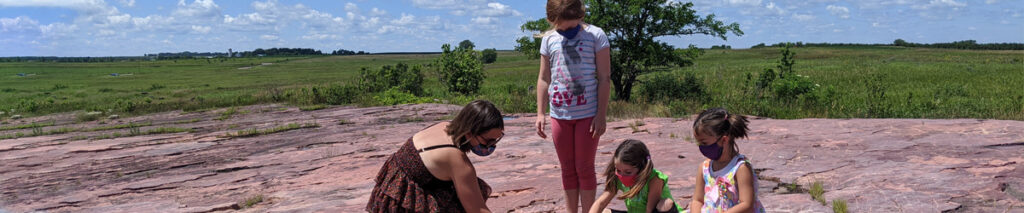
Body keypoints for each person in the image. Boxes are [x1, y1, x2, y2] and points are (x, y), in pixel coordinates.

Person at [534, 0, 612, 212]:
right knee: (567, 169)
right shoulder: (549, 39)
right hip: (559, 114)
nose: (568, 30)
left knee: (584, 168)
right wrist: (541, 113)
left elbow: (605, 78)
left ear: (581, 15)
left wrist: (601, 115)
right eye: (562, 26)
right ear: (552, 20)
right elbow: (543, 78)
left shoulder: (595, 35)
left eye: (572, 25)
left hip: (587, 114)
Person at [367, 100, 505, 213]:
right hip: (402, 203)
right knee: (467, 194)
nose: (491, 146)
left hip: (390, 191)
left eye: (496, 140)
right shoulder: (457, 161)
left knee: (467, 188)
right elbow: (477, 210)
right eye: (488, 141)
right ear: (469, 132)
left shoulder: (444, 126)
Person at [689, 108, 765, 212]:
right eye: (699, 144)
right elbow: (697, 200)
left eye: (704, 143)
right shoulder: (704, 168)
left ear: (724, 140)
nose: (702, 147)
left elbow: (747, 204)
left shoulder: (740, 168)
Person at [590, 140, 683, 213]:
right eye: (618, 170)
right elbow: (600, 203)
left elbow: (649, 210)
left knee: (665, 204)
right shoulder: (617, 177)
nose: (622, 175)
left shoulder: (654, 179)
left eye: (628, 172)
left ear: (642, 168)